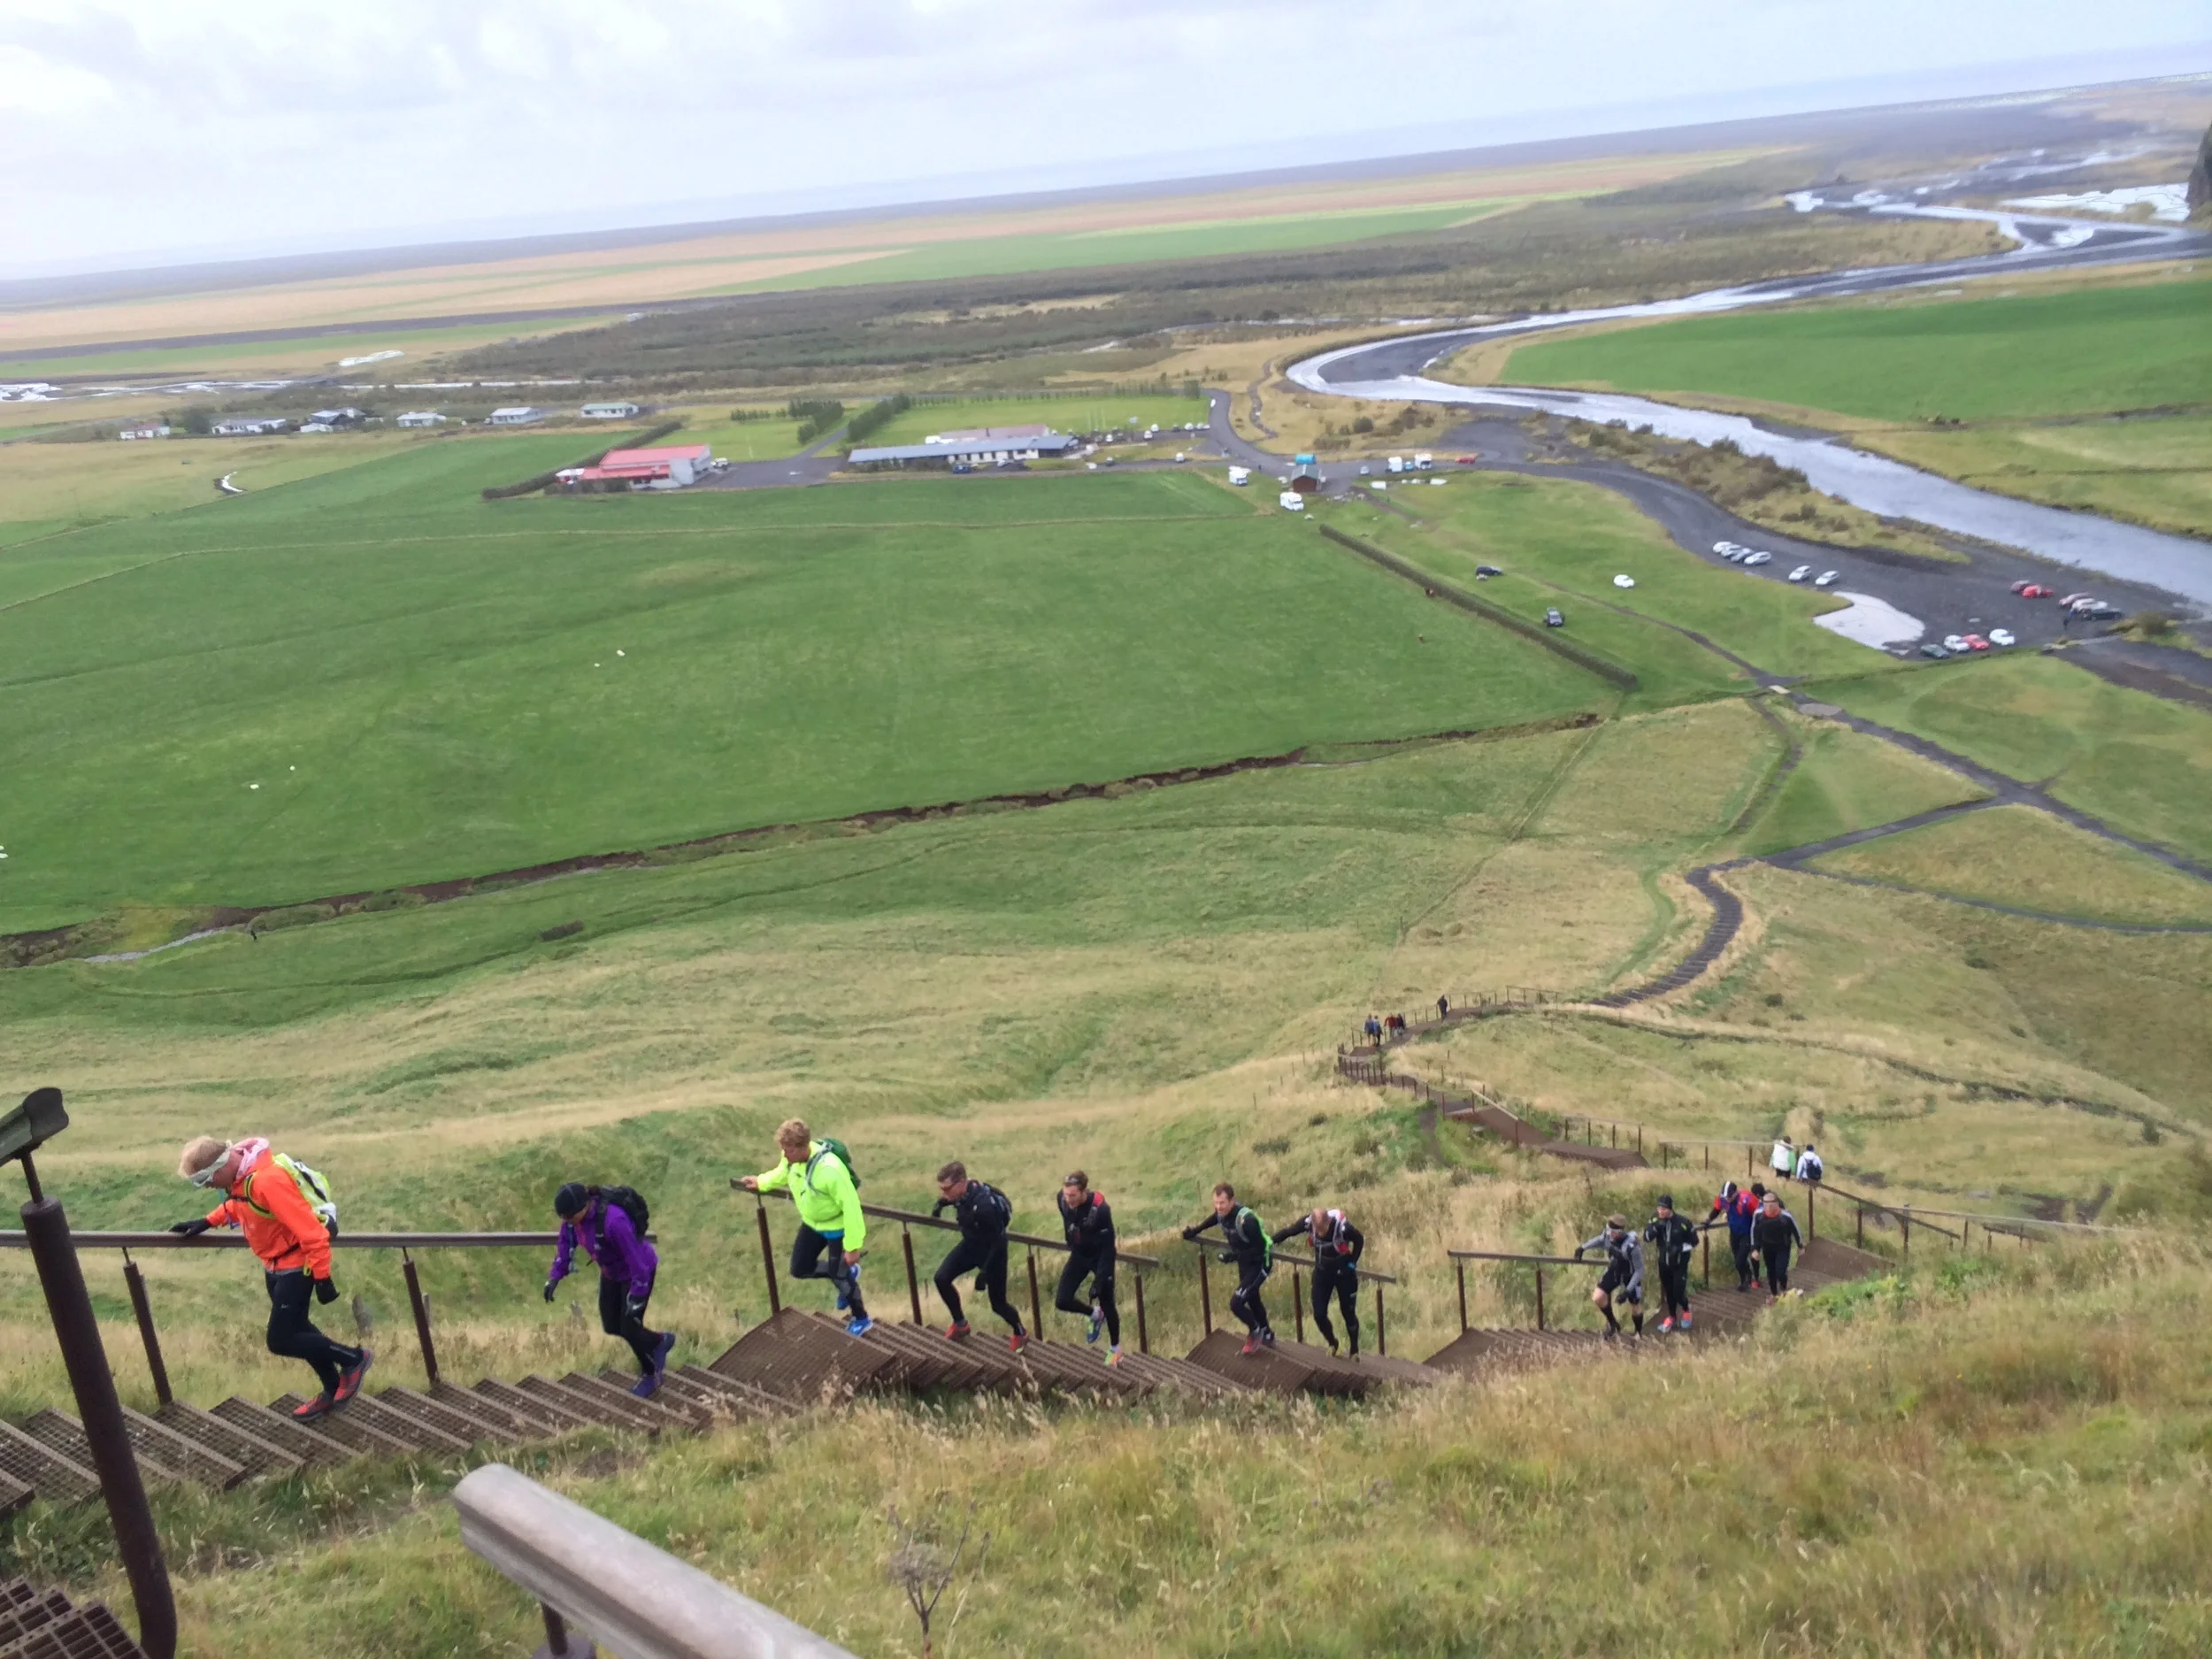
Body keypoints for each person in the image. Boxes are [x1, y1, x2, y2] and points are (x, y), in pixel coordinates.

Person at [172, 1136, 369, 1421]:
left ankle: (354, 1359)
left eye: (204, 1181)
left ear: (219, 1167)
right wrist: (208, 1221)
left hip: (296, 1265)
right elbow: (241, 1203)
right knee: (300, 1330)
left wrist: (323, 1278)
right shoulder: (243, 1178)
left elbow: (311, 1232)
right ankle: (332, 1389)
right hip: (274, 1265)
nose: (206, 1187)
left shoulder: (267, 1180)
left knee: (281, 1339)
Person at [738, 1119, 872, 1336]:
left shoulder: (830, 1170)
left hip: (837, 1225)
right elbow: (782, 1173)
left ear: (802, 1147)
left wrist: (853, 1246)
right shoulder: (791, 1159)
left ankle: (861, 1319)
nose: (784, 1154)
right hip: (813, 1223)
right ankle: (846, 1272)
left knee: (840, 1276)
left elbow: (852, 1207)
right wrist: (761, 1182)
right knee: (799, 1268)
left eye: (788, 1150)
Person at [545, 1183, 672, 1398]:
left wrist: (637, 1297)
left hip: (638, 1273)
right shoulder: (572, 1222)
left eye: (568, 1217)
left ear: (583, 1208)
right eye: (563, 1217)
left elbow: (637, 1260)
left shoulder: (614, 1221)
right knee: (611, 1325)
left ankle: (651, 1375)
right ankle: (660, 1341)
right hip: (611, 1273)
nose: (565, 1222)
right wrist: (555, 1277)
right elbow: (566, 1244)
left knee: (630, 1327)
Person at [931, 1162, 1026, 1350]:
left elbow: (999, 1241)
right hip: (971, 1246)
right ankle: (960, 1324)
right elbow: (953, 1200)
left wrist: (985, 1272)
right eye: (941, 1189)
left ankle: (1020, 1331)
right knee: (941, 1278)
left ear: (961, 1183)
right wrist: (940, 1205)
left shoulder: (984, 1207)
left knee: (998, 1304)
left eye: (947, 1189)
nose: (944, 1193)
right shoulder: (961, 1194)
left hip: (994, 1253)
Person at [1185, 1183, 1274, 1356]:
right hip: (1245, 1263)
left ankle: (1255, 1331)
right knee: (1252, 1298)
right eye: (1216, 1203)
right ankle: (1267, 1333)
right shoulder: (1221, 1214)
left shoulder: (1247, 1221)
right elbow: (1214, 1219)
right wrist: (1195, 1231)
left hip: (1259, 1263)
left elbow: (1259, 1249)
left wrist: (1233, 1257)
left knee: (1237, 1303)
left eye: (1222, 1203)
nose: (1219, 1207)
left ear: (1232, 1201)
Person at [1272, 1207, 1364, 1357]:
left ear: (1328, 1222)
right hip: (1323, 1273)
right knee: (1319, 1314)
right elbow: (1289, 1232)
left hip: (1344, 1274)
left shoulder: (1343, 1228)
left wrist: (1352, 1263)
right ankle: (1333, 1343)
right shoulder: (1308, 1224)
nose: (1320, 1233)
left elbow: (1359, 1240)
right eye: (1318, 1230)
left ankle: (1354, 1350)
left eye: (1323, 1229)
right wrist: (1270, 1241)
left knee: (1348, 1313)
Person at [1054, 1171, 1121, 1365]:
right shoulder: (1062, 1199)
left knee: (1107, 1301)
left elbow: (1109, 1247)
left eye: (1072, 1196)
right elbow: (1069, 1221)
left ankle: (1116, 1348)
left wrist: (1100, 1281)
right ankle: (1094, 1314)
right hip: (1079, 1254)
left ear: (1083, 1192)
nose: (1068, 1199)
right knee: (1062, 1300)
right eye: (1066, 1195)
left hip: (1101, 1256)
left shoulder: (1100, 1210)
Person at [1577, 1213, 1645, 1339]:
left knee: (1635, 1304)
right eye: (1608, 1230)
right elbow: (1600, 1240)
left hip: (1630, 1273)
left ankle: (1638, 1333)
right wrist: (1583, 1248)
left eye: (1612, 1231)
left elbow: (1639, 1270)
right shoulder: (1608, 1234)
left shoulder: (1632, 1246)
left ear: (1620, 1232)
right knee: (1598, 1297)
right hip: (1614, 1269)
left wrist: (1627, 1291)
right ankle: (1613, 1324)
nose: (1609, 1234)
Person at [1644, 1194, 1700, 1334]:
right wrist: (1655, 1228)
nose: (1660, 1211)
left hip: (1680, 1263)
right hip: (1664, 1262)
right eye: (1658, 1208)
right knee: (1669, 1292)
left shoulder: (1683, 1222)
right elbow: (1646, 1238)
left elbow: (1695, 1242)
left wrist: (1679, 1249)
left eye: (1663, 1209)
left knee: (1678, 1292)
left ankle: (1686, 1310)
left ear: (1670, 1209)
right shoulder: (1655, 1219)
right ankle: (1672, 1316)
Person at [1705, 1179, 1761, 1292]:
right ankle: (1748, 1274)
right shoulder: (1722, 1198)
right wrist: (1708, 1220)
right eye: (1725, 1197)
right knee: (1737, 1258)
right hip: (1734, 1232)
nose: (1727, 1199)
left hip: (1748, 1232)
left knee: (1740, 1260)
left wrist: (1758, 1238)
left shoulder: (1747, 1199)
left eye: (1729, 1197)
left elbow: (1759, 1215)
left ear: (1736, 1193)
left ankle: (1744, 1281)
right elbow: (1716, 1209)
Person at [1753, 1192, 1806, 1302]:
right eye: (1765, 1203)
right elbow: (1754, 1232)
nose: (1768, 1206)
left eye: (1771, 1203)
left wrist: (1800, 1246)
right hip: (1767, 1247)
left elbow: (1796, 1230)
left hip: (1783, 1247)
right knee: (1771, 1271)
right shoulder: (1758, 1215)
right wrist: (1755, 1249)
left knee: (1780, 1271)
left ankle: (1783, 1287)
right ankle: (1774, 1293)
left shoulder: (1785, 1216)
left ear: (1777, 1203)